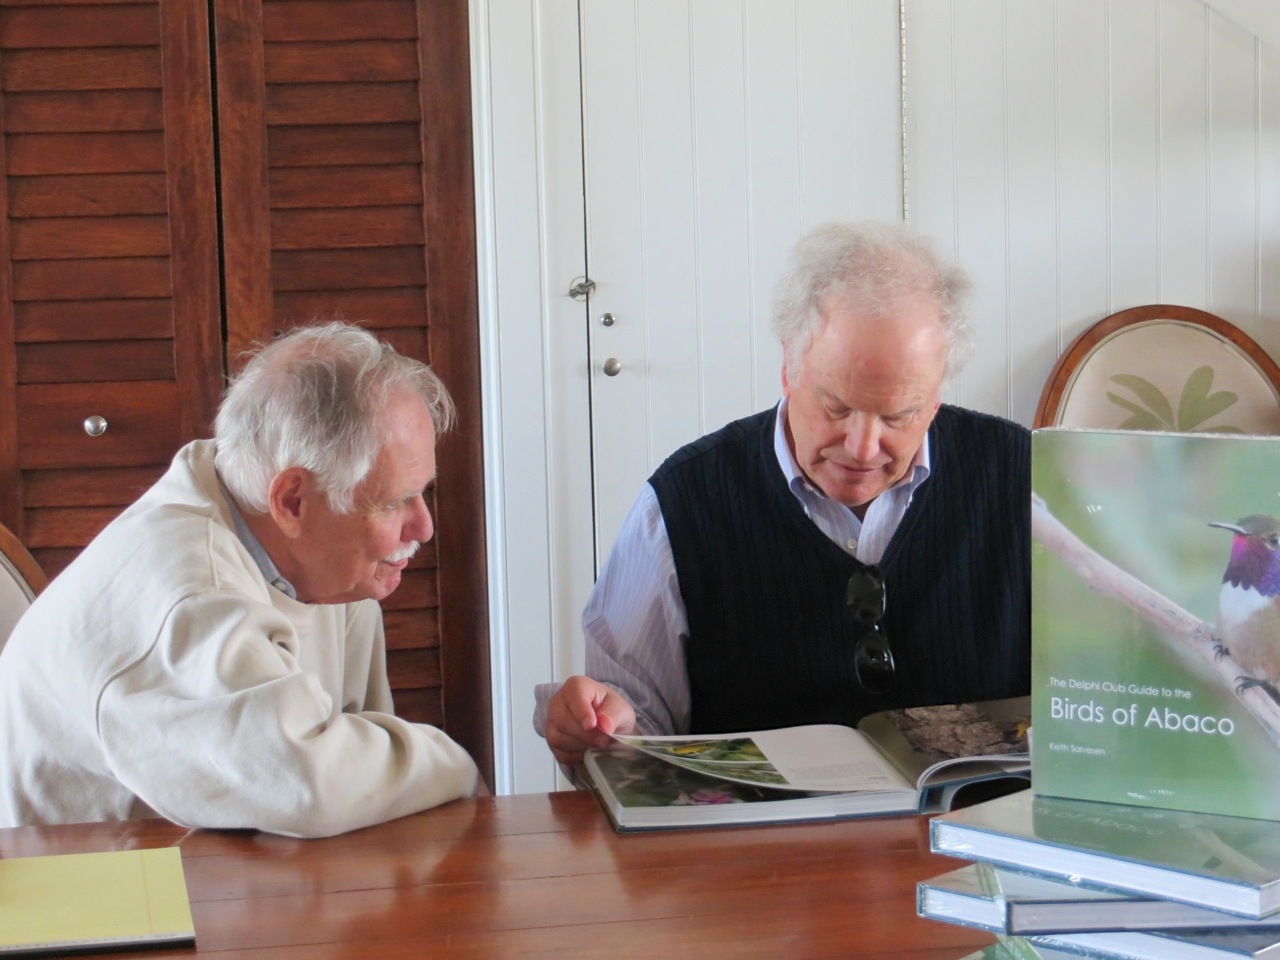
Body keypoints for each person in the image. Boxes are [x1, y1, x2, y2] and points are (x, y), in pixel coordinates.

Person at [537, 220, 1030, 766]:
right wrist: (611, 728)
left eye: (899, 415)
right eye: (836, 407)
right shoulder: (683, 504)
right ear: (788, 369)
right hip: (759, 842)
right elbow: (634, 728)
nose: (863, 448)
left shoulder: (1029, 480)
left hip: (977, 830)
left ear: (937, 397)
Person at [0, 322, 479, 837]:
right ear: (292, 500)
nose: (424, 527)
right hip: (94, 900)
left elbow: (368, 784)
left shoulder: (328, 568)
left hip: (220, 873)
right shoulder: (192, 595)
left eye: (420, 492)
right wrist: (456, 764)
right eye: (391, 502)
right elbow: (311, 786)